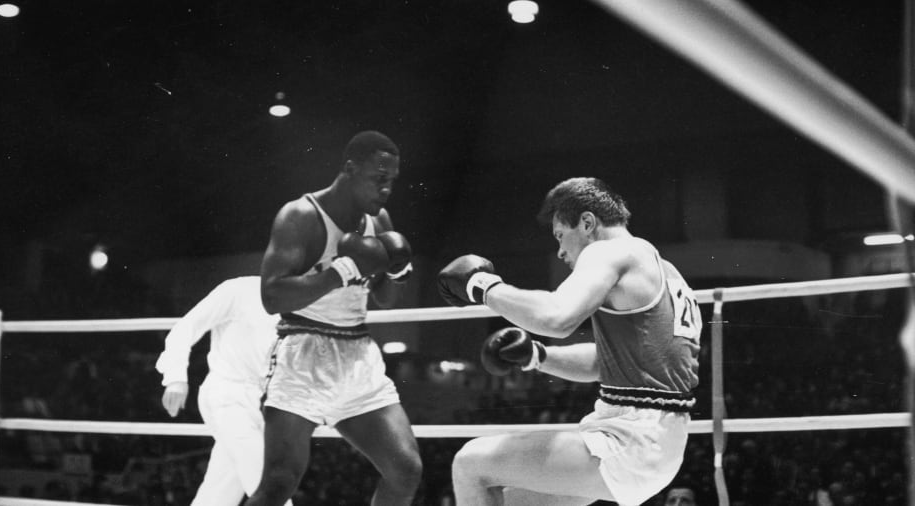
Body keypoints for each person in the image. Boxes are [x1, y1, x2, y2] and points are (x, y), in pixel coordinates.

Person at [438, 177, 701, 506]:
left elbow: (556, 318)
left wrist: (481, 286)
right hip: (653, 442)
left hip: (629, 439)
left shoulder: (611, 252)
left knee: (469, 464)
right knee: (512, 501)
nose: (561, 251)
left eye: (561, 235)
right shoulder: (666, 272)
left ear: (588, 223)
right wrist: (537, 355)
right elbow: (604, 364)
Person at [245, 130, 422, 506]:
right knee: (278, 482)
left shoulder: (380, 220)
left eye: (391, 181)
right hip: (302, 353)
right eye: (378, 179)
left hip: (358, 357)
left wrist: (395, 271)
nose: (386, 189)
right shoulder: (301, 216)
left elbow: (385, 300)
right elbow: (271, 296)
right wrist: (338, 272)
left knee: (405, 469)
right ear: (349, 168)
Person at [154, 276, 293, 506]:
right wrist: (175, 378)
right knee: (266, 486)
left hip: (262, 402)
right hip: (227, 396)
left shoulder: (303, 302)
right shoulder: (238, 289)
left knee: (219, 491)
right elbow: (187, 325)